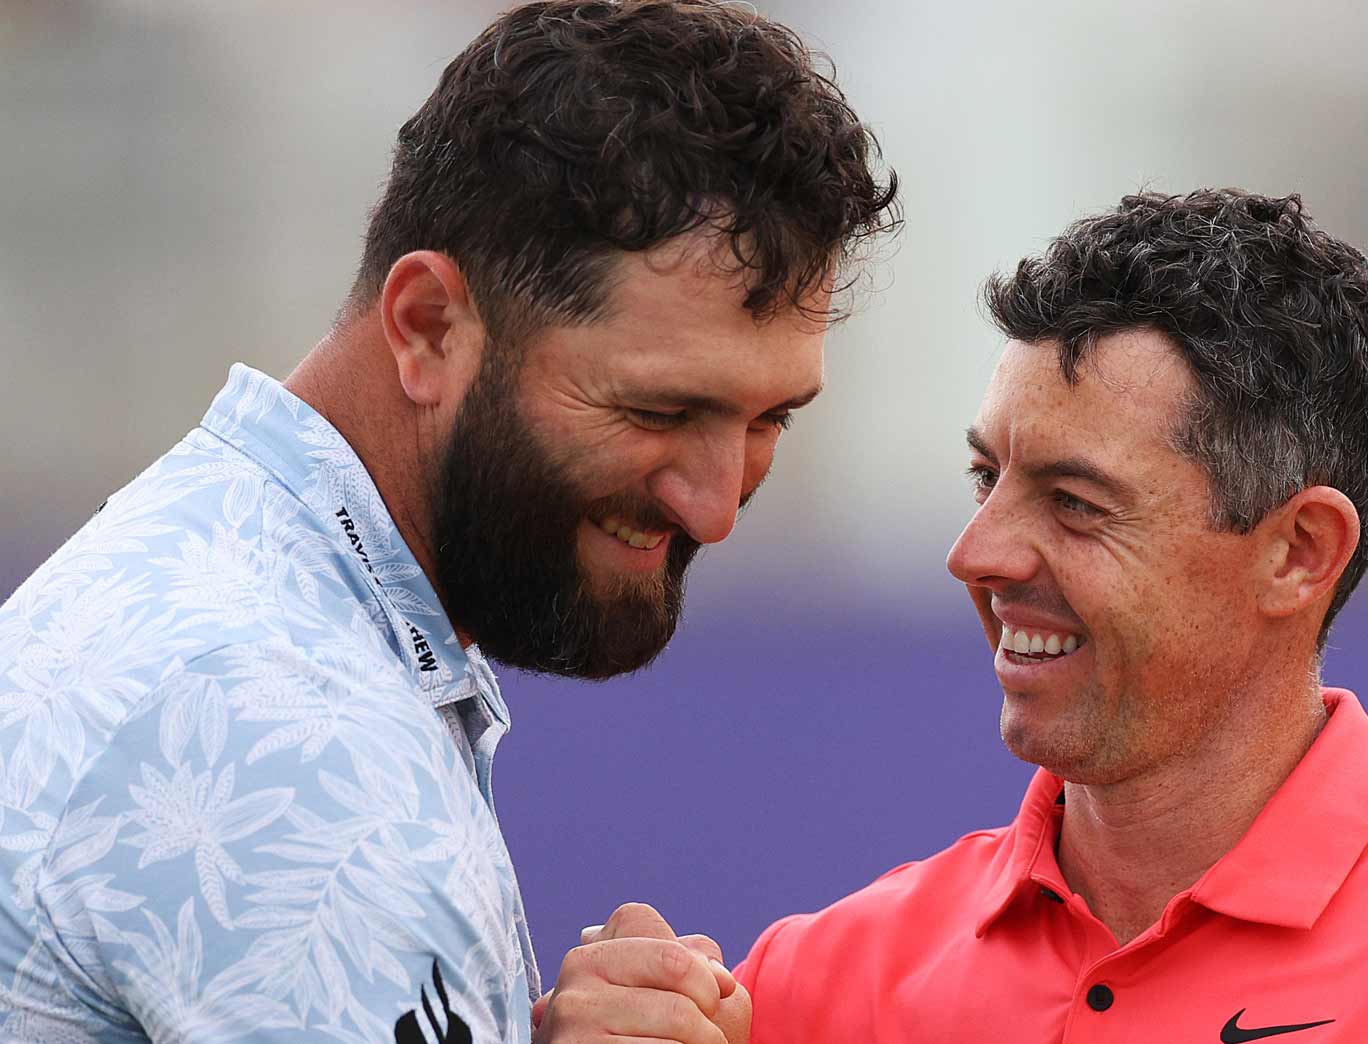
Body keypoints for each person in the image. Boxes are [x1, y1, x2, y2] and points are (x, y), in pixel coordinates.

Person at [0, 2, 896, 1041]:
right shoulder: (285, 739)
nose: (714, 502)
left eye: (767, 419)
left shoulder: (227, 593)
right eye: (657, 411)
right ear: (427, 326)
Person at [735, 189, 1368, 1043]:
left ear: (1297, 553)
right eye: (984, 479)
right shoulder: (813, 986)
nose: (975, 555)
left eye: (1074, 503)